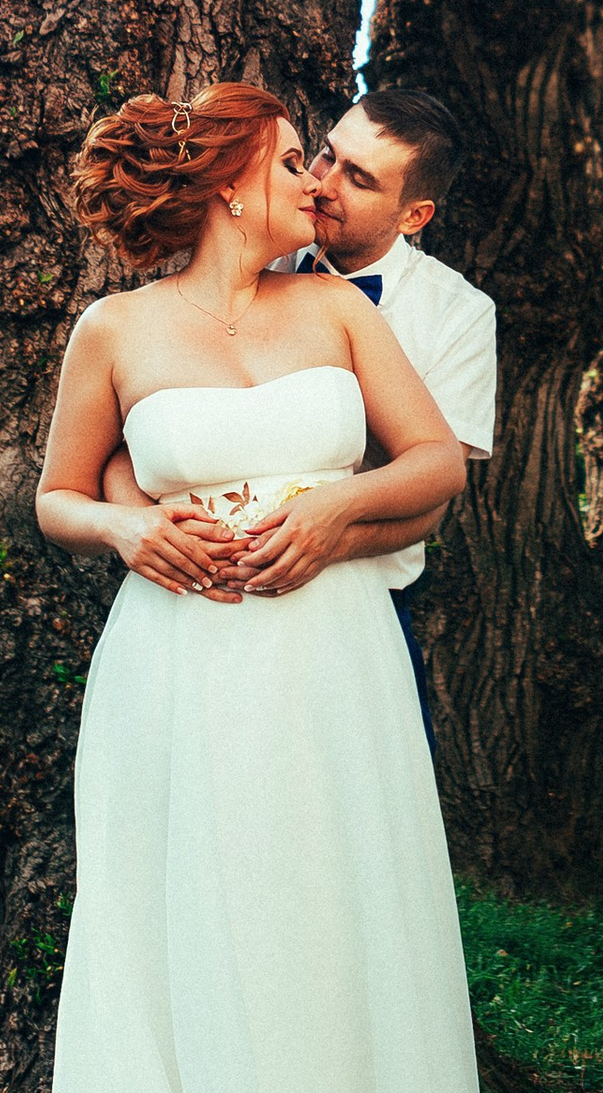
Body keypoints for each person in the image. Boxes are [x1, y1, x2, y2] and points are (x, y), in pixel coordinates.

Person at [9, 79, 540, 1093]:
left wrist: (332, 515)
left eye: (324, 157)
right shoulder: (114, 331)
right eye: (291, 155)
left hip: (330, 679)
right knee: (193, 981)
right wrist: (129, 525)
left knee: (329, 976)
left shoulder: (342, 314)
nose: (314, 175)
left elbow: (434, 468)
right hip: (174, 682)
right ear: (229, 178)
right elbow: (57, 497)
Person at [103, 82, 494, 731]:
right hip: (198, 595)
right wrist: (142, 526)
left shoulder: (457, 317)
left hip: (356, 598)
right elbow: (138, 435)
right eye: (324, 156)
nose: (322, 184)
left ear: (413, 216)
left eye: (359, 179)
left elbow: (431, 496)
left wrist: (325, 532)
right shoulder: (256, 243)